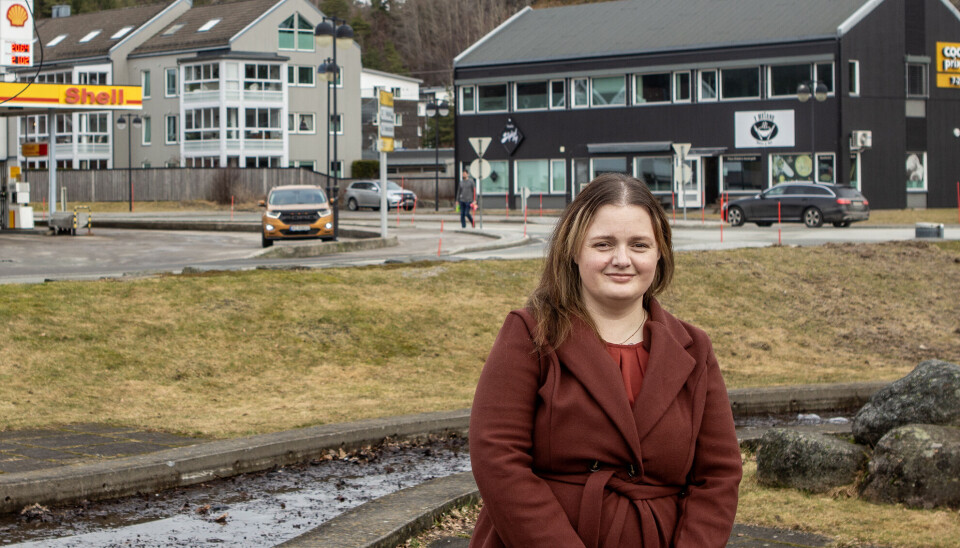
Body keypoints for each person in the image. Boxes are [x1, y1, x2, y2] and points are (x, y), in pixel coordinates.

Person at [469, 173, 742, 547]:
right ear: (574, 250)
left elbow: (719, 475)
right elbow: (498, 458)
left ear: (659, 253)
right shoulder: (530, 334)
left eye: (639, 245)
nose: (622, 260)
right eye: (603, 244)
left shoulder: (695, 348)